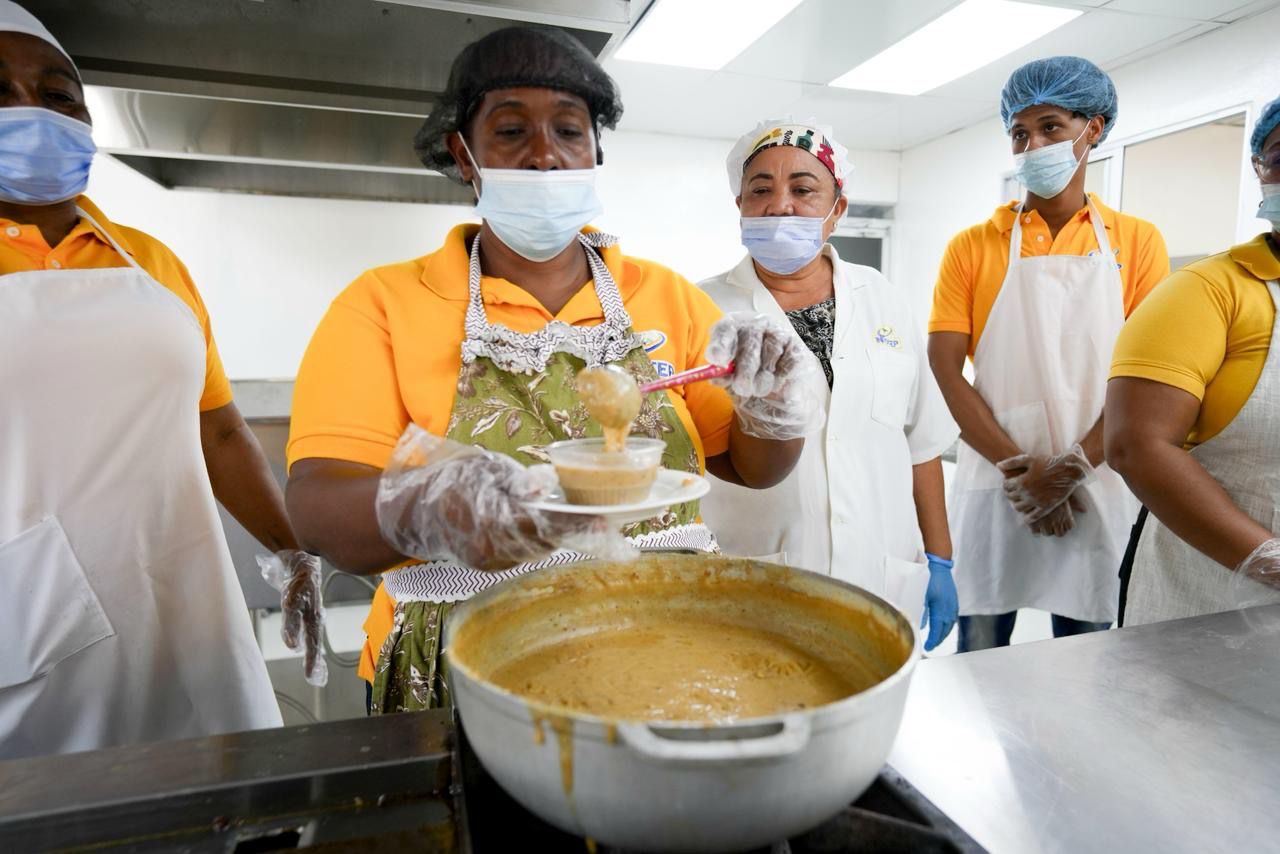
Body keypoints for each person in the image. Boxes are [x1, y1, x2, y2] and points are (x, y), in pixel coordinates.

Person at [284, 27, 815, 714]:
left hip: (665, 635)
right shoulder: (384, 303)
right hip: (465, 660)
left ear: (596, 152)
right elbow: (318, 508)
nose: (544, 155)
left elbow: (752, 468)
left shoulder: (667, 296)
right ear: (464, 154)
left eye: (569, 130)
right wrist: (426, 506)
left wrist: (770, 406)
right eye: (511, 132)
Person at [0, 1, 317, 759]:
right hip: (27, 628)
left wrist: (294, 550)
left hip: (188, 611)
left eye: (57, 94)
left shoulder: (151, 261)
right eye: (0, 91)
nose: (31, 110)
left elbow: (220, 430)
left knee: (222, 791)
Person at [927, 56, 1170, 651]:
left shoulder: (1137, 242)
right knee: (980, 656)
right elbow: (944, 368)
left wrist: (1069, 472)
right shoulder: (973, 246)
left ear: (1095, 128)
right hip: (999, 482)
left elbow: (1148, 380)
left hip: (1097, 479)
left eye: (1051, 127)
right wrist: (1024, 472)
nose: (1032, 144)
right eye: (1019, 132)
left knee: (1086, 658)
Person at [698, 120, 960, 651]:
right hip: (755, 573)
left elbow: (921, 443)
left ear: (837, 209)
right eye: (761, 190)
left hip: (880, 571)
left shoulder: (883, 298)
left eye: (803, 189)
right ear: (740, 206)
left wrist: (940, 558)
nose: (780, 205)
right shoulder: (702, 308)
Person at [1106, 96, 1280, 624]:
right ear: (1261, 172)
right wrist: (1271, 560)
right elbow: (1137, 446)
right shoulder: (1209, 290)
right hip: (1210, 600)